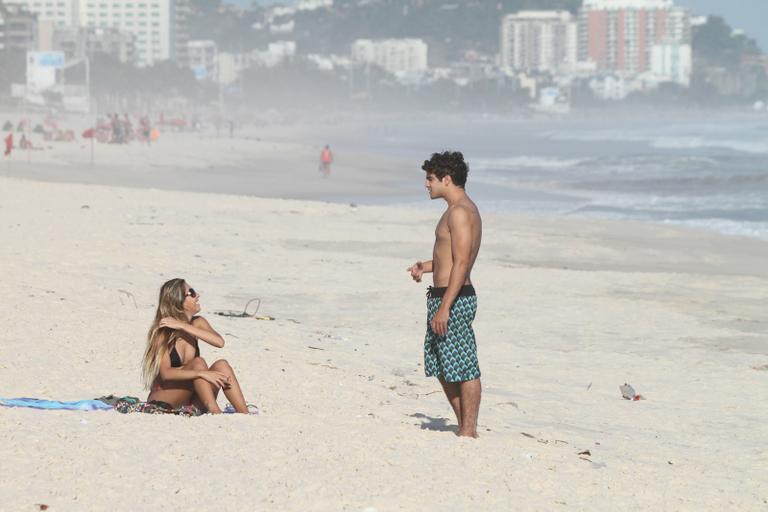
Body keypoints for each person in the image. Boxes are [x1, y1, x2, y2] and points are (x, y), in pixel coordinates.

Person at [407, 151, 483, 438]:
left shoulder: (461, 211)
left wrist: (445, 307)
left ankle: (468, 430)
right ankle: (465, 424)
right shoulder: (456, 210)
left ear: (447, 179)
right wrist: (425, 267)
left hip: (455, 298)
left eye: (430, 179)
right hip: (443, 294)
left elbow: (462, 262)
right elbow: (450, 257)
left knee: (464, 364)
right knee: (440, 362)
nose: (427, 184)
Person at [141, 278, 249, 413]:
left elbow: (219, 342)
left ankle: (244, 413)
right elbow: (166, 374)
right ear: (178, 302)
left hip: (192, 399)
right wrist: (201, 373)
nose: (197, 295)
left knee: (222, 365)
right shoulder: (163, 333)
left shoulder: (198, 323)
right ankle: (216, 413)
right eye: (191, 293)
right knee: (198, 362)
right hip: (166, 398)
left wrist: (183, 325)